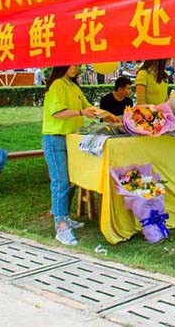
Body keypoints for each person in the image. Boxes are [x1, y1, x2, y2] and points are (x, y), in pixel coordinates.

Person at [42, 65, 119, 246]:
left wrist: (107, 115)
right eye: (74, 65)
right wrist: (81, 113)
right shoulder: (57, 85)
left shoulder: (73, 86)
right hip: (55, 139)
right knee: (60, 182)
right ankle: (61, 227)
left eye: (78, 65)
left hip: (71, 139)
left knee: (71, 181)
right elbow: (58, 113)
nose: (77, 68)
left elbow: (89, 107)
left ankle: (64, 217)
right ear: (63, 65)